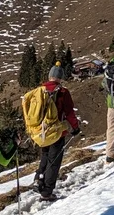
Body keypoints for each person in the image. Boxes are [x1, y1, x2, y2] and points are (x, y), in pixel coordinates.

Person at [29, 64, 80, 201]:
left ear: (49, 76)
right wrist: (75, 127)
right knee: (54, 161)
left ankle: (38, 179)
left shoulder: (40, 91)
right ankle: (47, 192)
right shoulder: (62, 92)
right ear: (60, 77)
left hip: (41, 132)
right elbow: (69, 112)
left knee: (45, 156)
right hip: (57, 132)